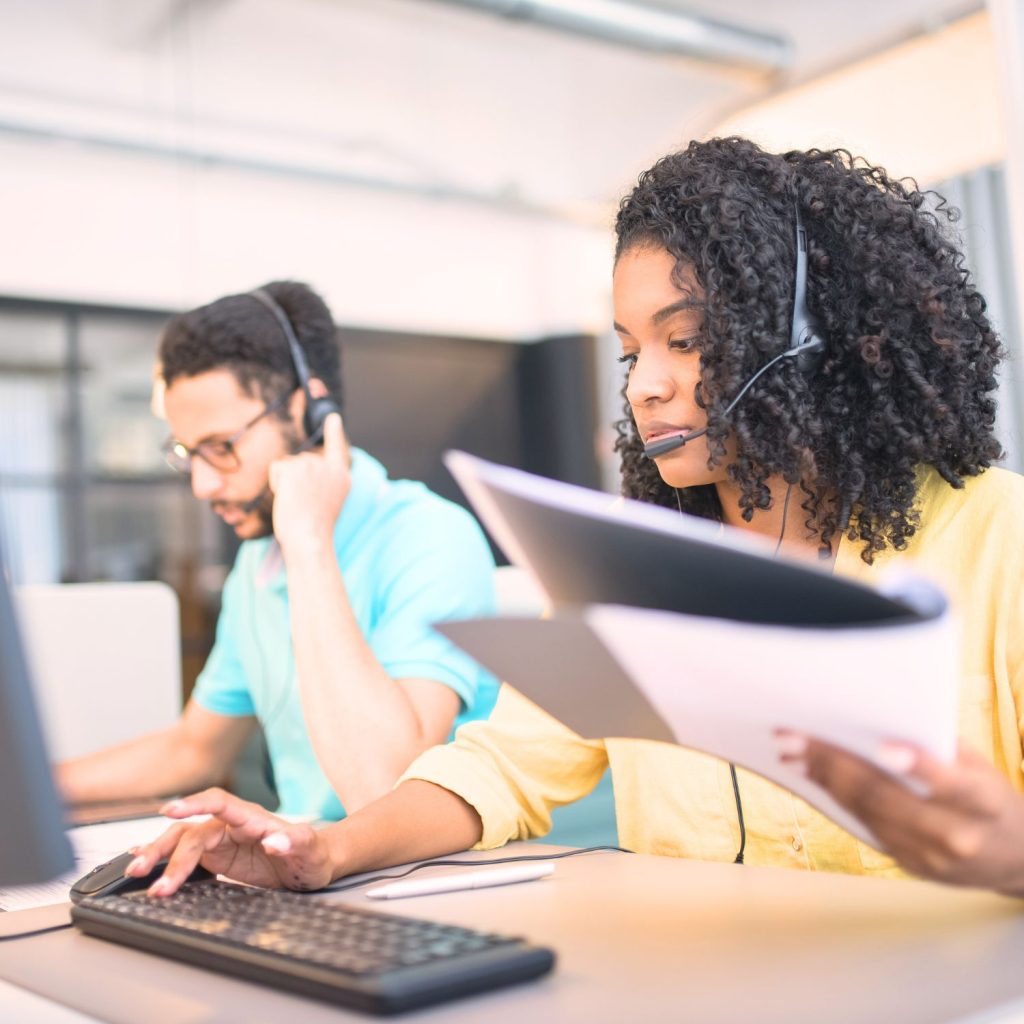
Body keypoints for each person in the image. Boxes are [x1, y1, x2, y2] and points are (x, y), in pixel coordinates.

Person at [125, 139, 1024, 898]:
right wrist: (323, 850)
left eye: (688, 340)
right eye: (631, 351)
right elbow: (501, 766)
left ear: (810, 340)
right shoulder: (630, 567)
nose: (644, 385)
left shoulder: (1000, 541)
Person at [57, 281, 499, 822]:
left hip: (422, 879)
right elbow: (196, 748)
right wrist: (33, 789)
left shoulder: (431, 537)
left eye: (222, 448)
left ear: (308, 409)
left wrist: (309, 541)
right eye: (188, 453)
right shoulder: (257, 565)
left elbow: (387, 787)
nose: (201, 485)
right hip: (305, 872)